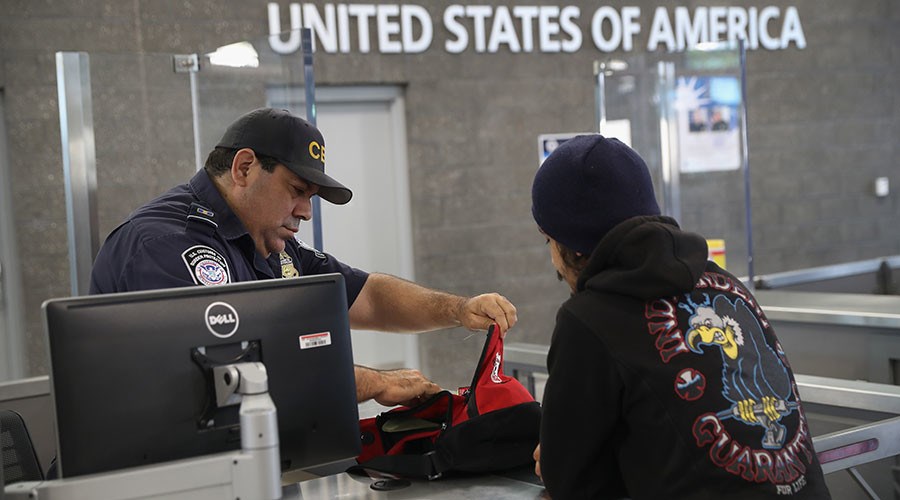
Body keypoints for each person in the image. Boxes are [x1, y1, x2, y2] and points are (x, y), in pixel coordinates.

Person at [90, 107, 517, 407]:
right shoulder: (167, 244)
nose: (306, 212)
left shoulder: (268, 241)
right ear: (243, 169)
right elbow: (229, 372)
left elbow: (366, 295)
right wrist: (375, 383)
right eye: (297, 191)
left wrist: (458, 310)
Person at [529, 135, 830, 499]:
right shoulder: (726, 284)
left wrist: (557, 458)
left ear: (571, 244)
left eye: (548, 240)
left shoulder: (588, 320)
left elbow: (570, 481)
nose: (551, 258)